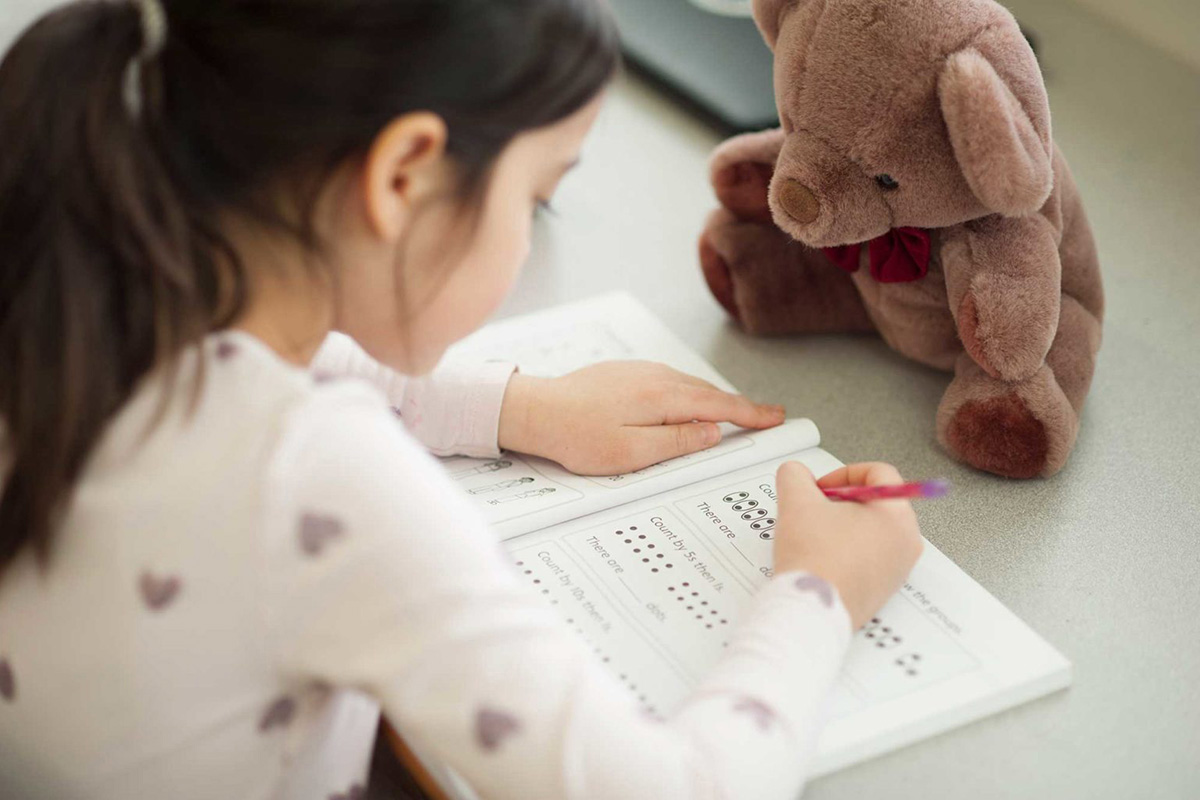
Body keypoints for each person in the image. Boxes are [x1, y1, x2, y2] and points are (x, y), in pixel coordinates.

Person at [0, 1, 923, 798]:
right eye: (536, 195)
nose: (526, 240)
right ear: (402, 175)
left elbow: (305, 364)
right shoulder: (320, 479)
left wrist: (519, 408)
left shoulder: (74, 253)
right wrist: (821, 591)